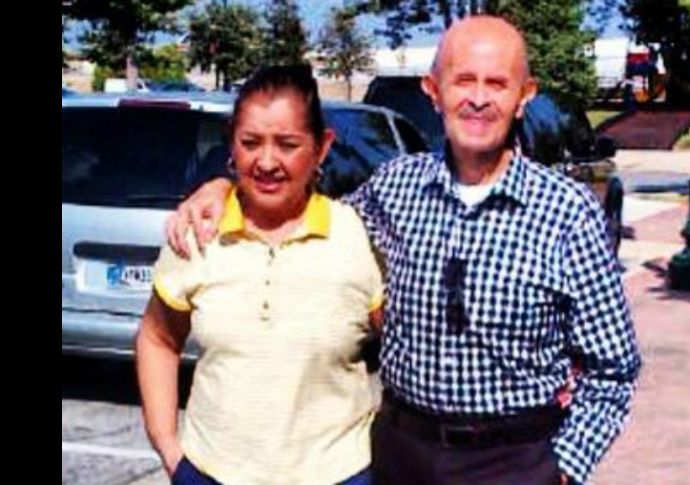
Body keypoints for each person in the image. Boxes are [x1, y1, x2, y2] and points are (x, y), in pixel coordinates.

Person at [167, 15, 641, 485]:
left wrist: (562, 470)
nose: (478, 98)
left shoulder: (567, 212)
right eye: (463, 81)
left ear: (524, 95)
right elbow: (301, 207)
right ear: (433, 90)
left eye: (497, 83)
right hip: (402, 455)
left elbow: (613, 369)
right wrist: (224, 186)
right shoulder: (394, 187)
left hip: (513, 460)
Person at [136, 64, 383, 485]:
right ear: (232, 144)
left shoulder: (356, 233)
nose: (267, 161)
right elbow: (157, 338)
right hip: (213, 472)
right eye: (250, 143)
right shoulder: (199, 233)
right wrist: (167, 445)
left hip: (338, 474)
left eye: (287, 144)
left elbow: (403, 347)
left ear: (322, 148)